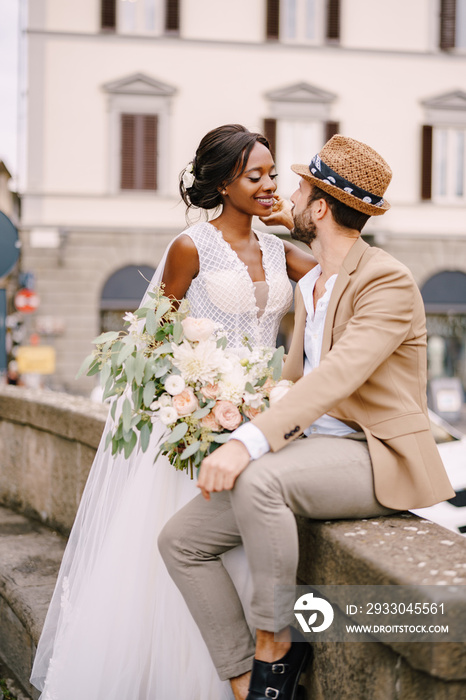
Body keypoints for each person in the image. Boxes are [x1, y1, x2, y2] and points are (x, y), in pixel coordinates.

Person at [158, 135, 456, 700]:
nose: (285, 195)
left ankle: (275, 644)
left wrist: (248, 441)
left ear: (320, 207)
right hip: (313, 448)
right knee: (180, 541)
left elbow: (337, 376)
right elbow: (293, 381)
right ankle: (245, 677)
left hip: (372, 452)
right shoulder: (313, 282)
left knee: (262, 479)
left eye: (297, 186)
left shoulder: (385, 280)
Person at [30, 124, 316, 700]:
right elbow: (153, 345)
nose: (268, 184)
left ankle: (247, 675)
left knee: (243, 549)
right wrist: (203, 400)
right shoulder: (190, 248)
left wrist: (296, 222)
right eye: (253, 175)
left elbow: (347, 281)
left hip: (262, 425)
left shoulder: (282, 252)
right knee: (184, 552)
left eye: (272, 173)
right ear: (221, 182)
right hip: (198, 427)